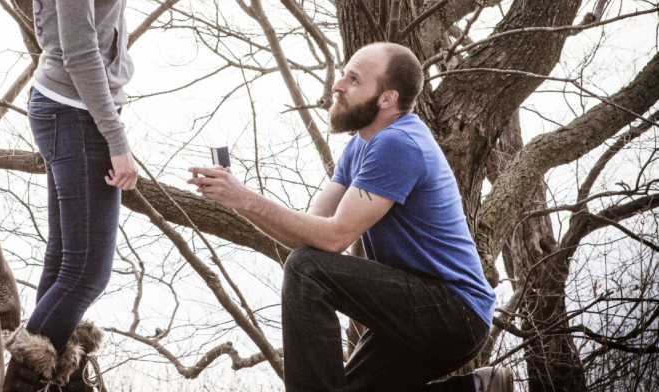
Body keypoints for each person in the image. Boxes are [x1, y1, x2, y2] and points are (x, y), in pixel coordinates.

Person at [189, 42, 512, 392]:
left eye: (353, 80)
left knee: (305, 269)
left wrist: (245, 198)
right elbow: (308, 235)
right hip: (416, 312)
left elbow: (333, 238)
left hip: (453, 310)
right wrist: (237, 200)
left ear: (387, 98)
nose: (338, 85)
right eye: (343, 75)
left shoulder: (398, 143)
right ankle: (479, 388)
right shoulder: (360, 146)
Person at [7, 0, 153, 392]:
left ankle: (41, 379)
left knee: (64, 261)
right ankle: (17, 383)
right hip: (75, 114)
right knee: (88, 271)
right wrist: (118, 142)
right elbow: (77, 48)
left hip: (68, 109)